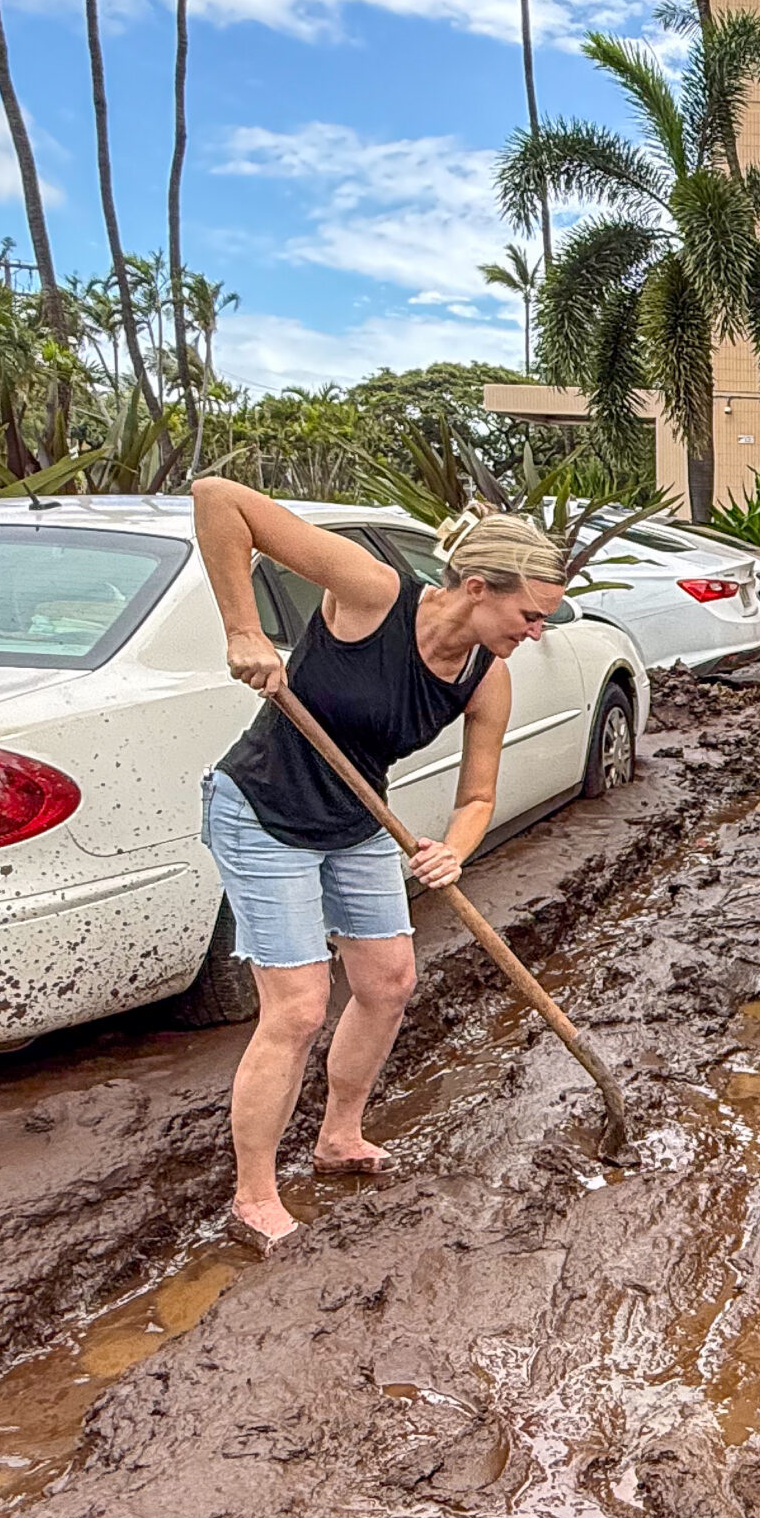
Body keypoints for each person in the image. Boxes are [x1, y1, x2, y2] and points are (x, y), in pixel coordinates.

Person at [193, 476, 570, 1253]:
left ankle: (338, 1137)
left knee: (389, 981)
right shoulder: (373, 591)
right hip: (264, 809)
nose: (537, 631)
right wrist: (244, 631)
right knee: (297, 1008)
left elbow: (477, 794)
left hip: (359, 819)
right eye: (531, 615)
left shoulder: (485, 677)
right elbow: (217, 498)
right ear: (477, 588)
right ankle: (253, 1194)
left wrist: (452, 851)